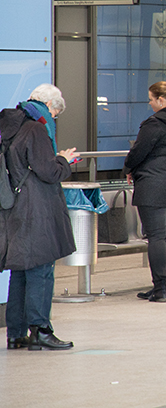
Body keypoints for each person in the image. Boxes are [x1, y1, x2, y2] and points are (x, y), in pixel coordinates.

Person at [1, 84, 79, 350]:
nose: (53, 120)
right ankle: (41, 330)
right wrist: (64, 160)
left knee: (21, 270)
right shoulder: (36, 128)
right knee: (42, 269)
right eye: (55, 114)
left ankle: (16, 332)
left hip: (13, 205)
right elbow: (48, 171)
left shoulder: (11, 124)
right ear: (50, 106)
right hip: (36, 207)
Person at [125, 81, 166, 302]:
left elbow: (139, 151)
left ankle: (160, 289)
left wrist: (128, 168)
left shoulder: (153, 124)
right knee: (162, 236)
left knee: (155, 236)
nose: (150, 103)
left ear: (161, 100)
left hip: (153, 182)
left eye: (152, 99)